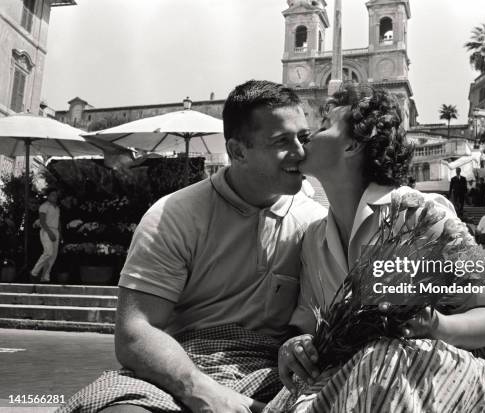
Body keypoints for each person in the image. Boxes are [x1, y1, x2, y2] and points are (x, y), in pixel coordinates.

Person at [60, 80, 326, 413]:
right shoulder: (174, 215)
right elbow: (134, 332)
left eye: (304, 138)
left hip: (274, 371)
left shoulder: (317, 222)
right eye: (282, 141)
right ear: (238, 151)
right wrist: (203, 392)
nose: (301, 154)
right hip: (179, 365)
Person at [265, 86, 485, 412]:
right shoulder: (313, 238)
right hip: (357, 379)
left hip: (447, 377)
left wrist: (438, 325)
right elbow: (310, 326)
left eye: (324, 125)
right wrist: (296, 347)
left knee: (383, 358)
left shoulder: (419, 213)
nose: (309, 133)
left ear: (352, 144)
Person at [30, 188, 61, 283]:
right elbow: (42, 222)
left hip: (56, 231)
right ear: (48, 196)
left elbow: (59, 222)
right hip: (46, 230)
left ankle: (45, 276)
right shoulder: (44, 206)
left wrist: (60, 234)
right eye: (52, 195)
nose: (55, 196)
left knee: (53, 256)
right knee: (48, 252)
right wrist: (50, 232)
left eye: (56, 195)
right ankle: (34, 272)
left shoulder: (57, 208)